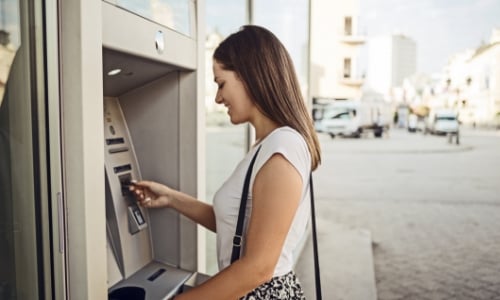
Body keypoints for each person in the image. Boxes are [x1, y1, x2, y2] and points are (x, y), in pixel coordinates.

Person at [130, 25, 321, 300]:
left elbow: (258, 268)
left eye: (221, 84)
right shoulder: (267, 146)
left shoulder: (283, 149)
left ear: (251, 77)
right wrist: (171, 198)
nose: (219, 98)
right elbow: (240, 227)